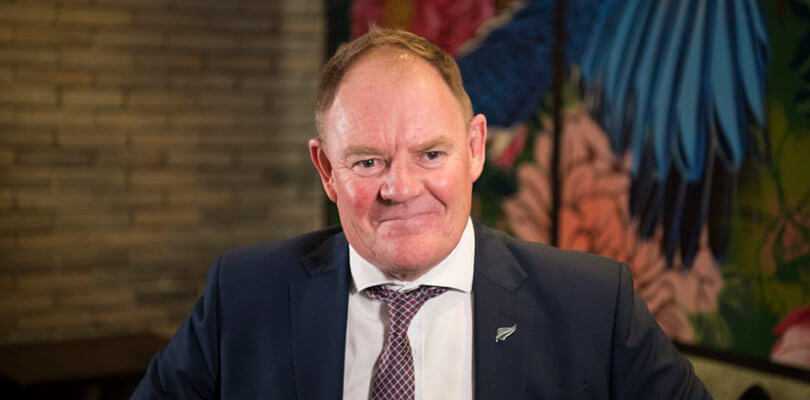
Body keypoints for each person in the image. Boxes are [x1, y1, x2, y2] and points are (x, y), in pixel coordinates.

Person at [131, 27, 711, 399]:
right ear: (326, 170)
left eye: (431, 154)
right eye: (367, 162)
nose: (401, 188)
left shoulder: (594, 305)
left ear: (475, 148)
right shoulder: (242, 295)